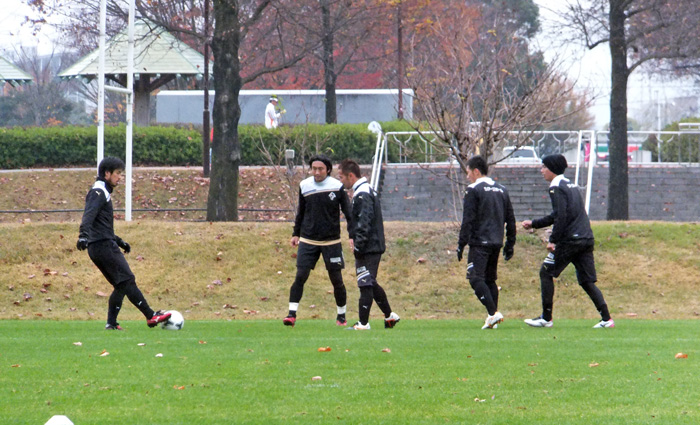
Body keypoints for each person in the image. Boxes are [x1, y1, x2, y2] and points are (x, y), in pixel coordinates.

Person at [77, 157, 171, 330]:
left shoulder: (102, 191)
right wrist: (83, 235)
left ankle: (111, 324)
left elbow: (101, 225)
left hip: (100, 245)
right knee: (127, 279)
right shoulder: (98, 191)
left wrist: (119, 241)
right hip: (103, 246)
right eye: (118, 173)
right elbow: (88, 215)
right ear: (107, 174)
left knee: (121, 285)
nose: (120, 177)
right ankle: (151, 316)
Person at [522, 154, 614, 329]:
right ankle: (607, 319)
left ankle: (546, 318)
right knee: (586, 281)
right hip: (585, 238)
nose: (541, 171)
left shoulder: (555, 186)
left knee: (546, 273)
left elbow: (561, 217)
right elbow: (559, 214)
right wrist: (534, 224)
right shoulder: (569, 185)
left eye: (544, 167)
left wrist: (553, 240)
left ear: (552, 168)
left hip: (570, 241)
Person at [284, 154, 352, 327]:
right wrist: (296, 233)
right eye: (314, 169)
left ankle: (341, 316)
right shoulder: (305, 186)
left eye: (320, 169)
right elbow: (301, 212)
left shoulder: (337, 186)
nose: (317, 172)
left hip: (331, 242)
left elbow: (349, 213)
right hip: (308, 240)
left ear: (327, 170)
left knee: (336, 280)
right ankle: (291, 314)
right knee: (300, 276)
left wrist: (353, 235)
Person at [337, 159, 400, 330]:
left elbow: (364, 222)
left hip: (369, 247)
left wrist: (359, 245)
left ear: (351, 175)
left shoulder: (363, 193)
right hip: (371, 245)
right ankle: (389, 316)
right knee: (370, 281)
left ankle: (363, 323)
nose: (340, 181)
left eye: (341, 177)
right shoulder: (363, 190)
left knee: (365, 282)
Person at [456, 155, 516, 330]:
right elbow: (511, 219)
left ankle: (493, 313)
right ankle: (492, 320)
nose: (467, 176)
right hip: (496, 242)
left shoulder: (473, 189)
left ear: (476, 171)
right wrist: (510, 243)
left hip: (480, 242)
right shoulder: (502, 190)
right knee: (490, 280)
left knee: (475, 278)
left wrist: (461, 243)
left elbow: (468, 219)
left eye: (468, 172)